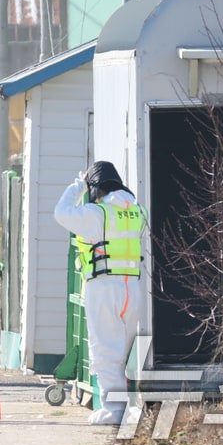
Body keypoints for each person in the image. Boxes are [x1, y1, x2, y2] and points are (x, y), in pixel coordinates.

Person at [54, 160, 145, 426]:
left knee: (105, 350)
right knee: (124, 353)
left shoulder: (98, 214)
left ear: (96, 187)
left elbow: (61, 212)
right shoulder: (138, 212)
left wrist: (79, 185)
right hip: (133, 287)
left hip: (104, 286)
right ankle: (127, 406)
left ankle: (113, 409)